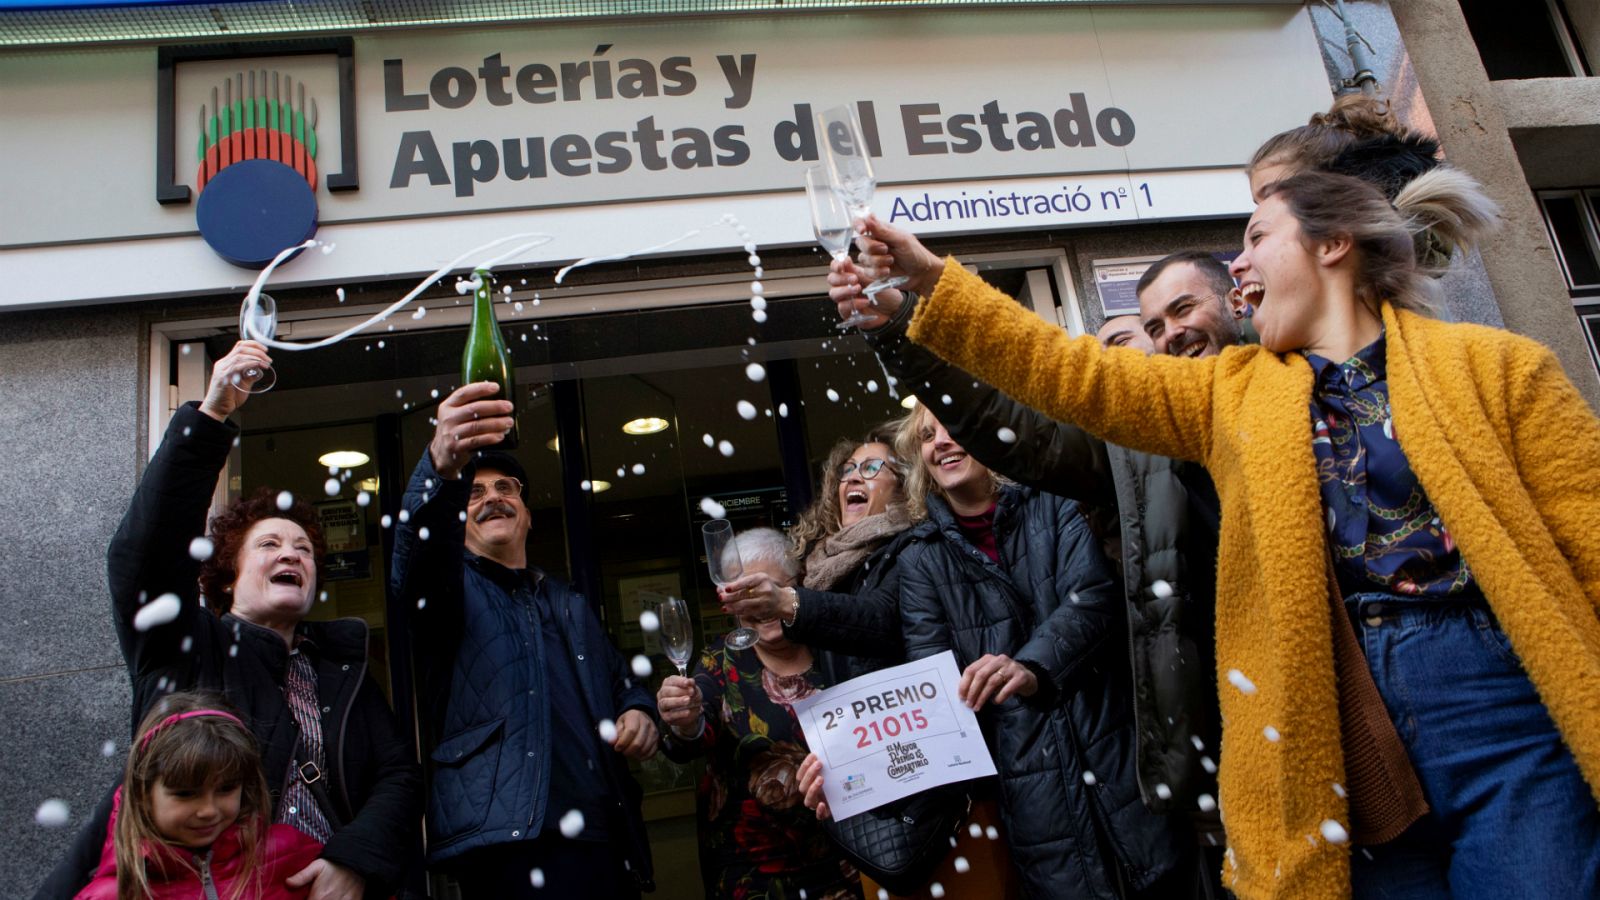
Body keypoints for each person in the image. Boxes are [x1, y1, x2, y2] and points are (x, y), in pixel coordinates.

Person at [843, 165, 1600, 900]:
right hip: (1332, 719)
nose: (1238, 260)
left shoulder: (1502, 368)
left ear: (1333, 243)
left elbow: (1591, 548)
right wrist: (933, 284)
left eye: (1257, 235)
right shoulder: (1229, 397)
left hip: (1502, 712)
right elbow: (1068, 373)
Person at [42, 340, 421, 900]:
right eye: (269, 544)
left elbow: (396, 778)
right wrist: (211, 416)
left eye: (304, 550)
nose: (292, 554)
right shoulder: (185, 645)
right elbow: (142, 556)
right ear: (225, 577)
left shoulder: (342, 668)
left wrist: (352, 860)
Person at [805, 405, 1185, 899]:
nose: (940, 441)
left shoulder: (1052, 501)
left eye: (953, 424)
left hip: (1121, 767)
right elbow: (933, 700)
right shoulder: (922, 557)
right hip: (1036, 811)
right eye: (926, 435)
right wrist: (849, 770)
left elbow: (1094, 598)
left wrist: (1030, 666)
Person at [390, 381, 658, 899]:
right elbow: (417, 555)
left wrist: (640, 712)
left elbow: (624, 684)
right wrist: (440, 469)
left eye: (506, 489)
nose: (492, 498)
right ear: (458, 519)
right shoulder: (447, 588)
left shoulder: (568, 603)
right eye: (475, 494)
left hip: (603, 840)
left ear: (528, 515)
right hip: (509, 846)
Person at [656, 527, 865, 900]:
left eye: (766, 591)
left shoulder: (836, 647)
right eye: (745, 596)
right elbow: (688, 736)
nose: (759, 608)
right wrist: (685, 721)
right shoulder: (718, 663)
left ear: (796, 586)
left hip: (846, 862)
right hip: (754, 874)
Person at [77, 692, 324, 900]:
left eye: (226, 789)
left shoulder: (289, 854)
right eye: (185, 794)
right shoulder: (116, 893)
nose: (208, 810)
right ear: (143, 794)